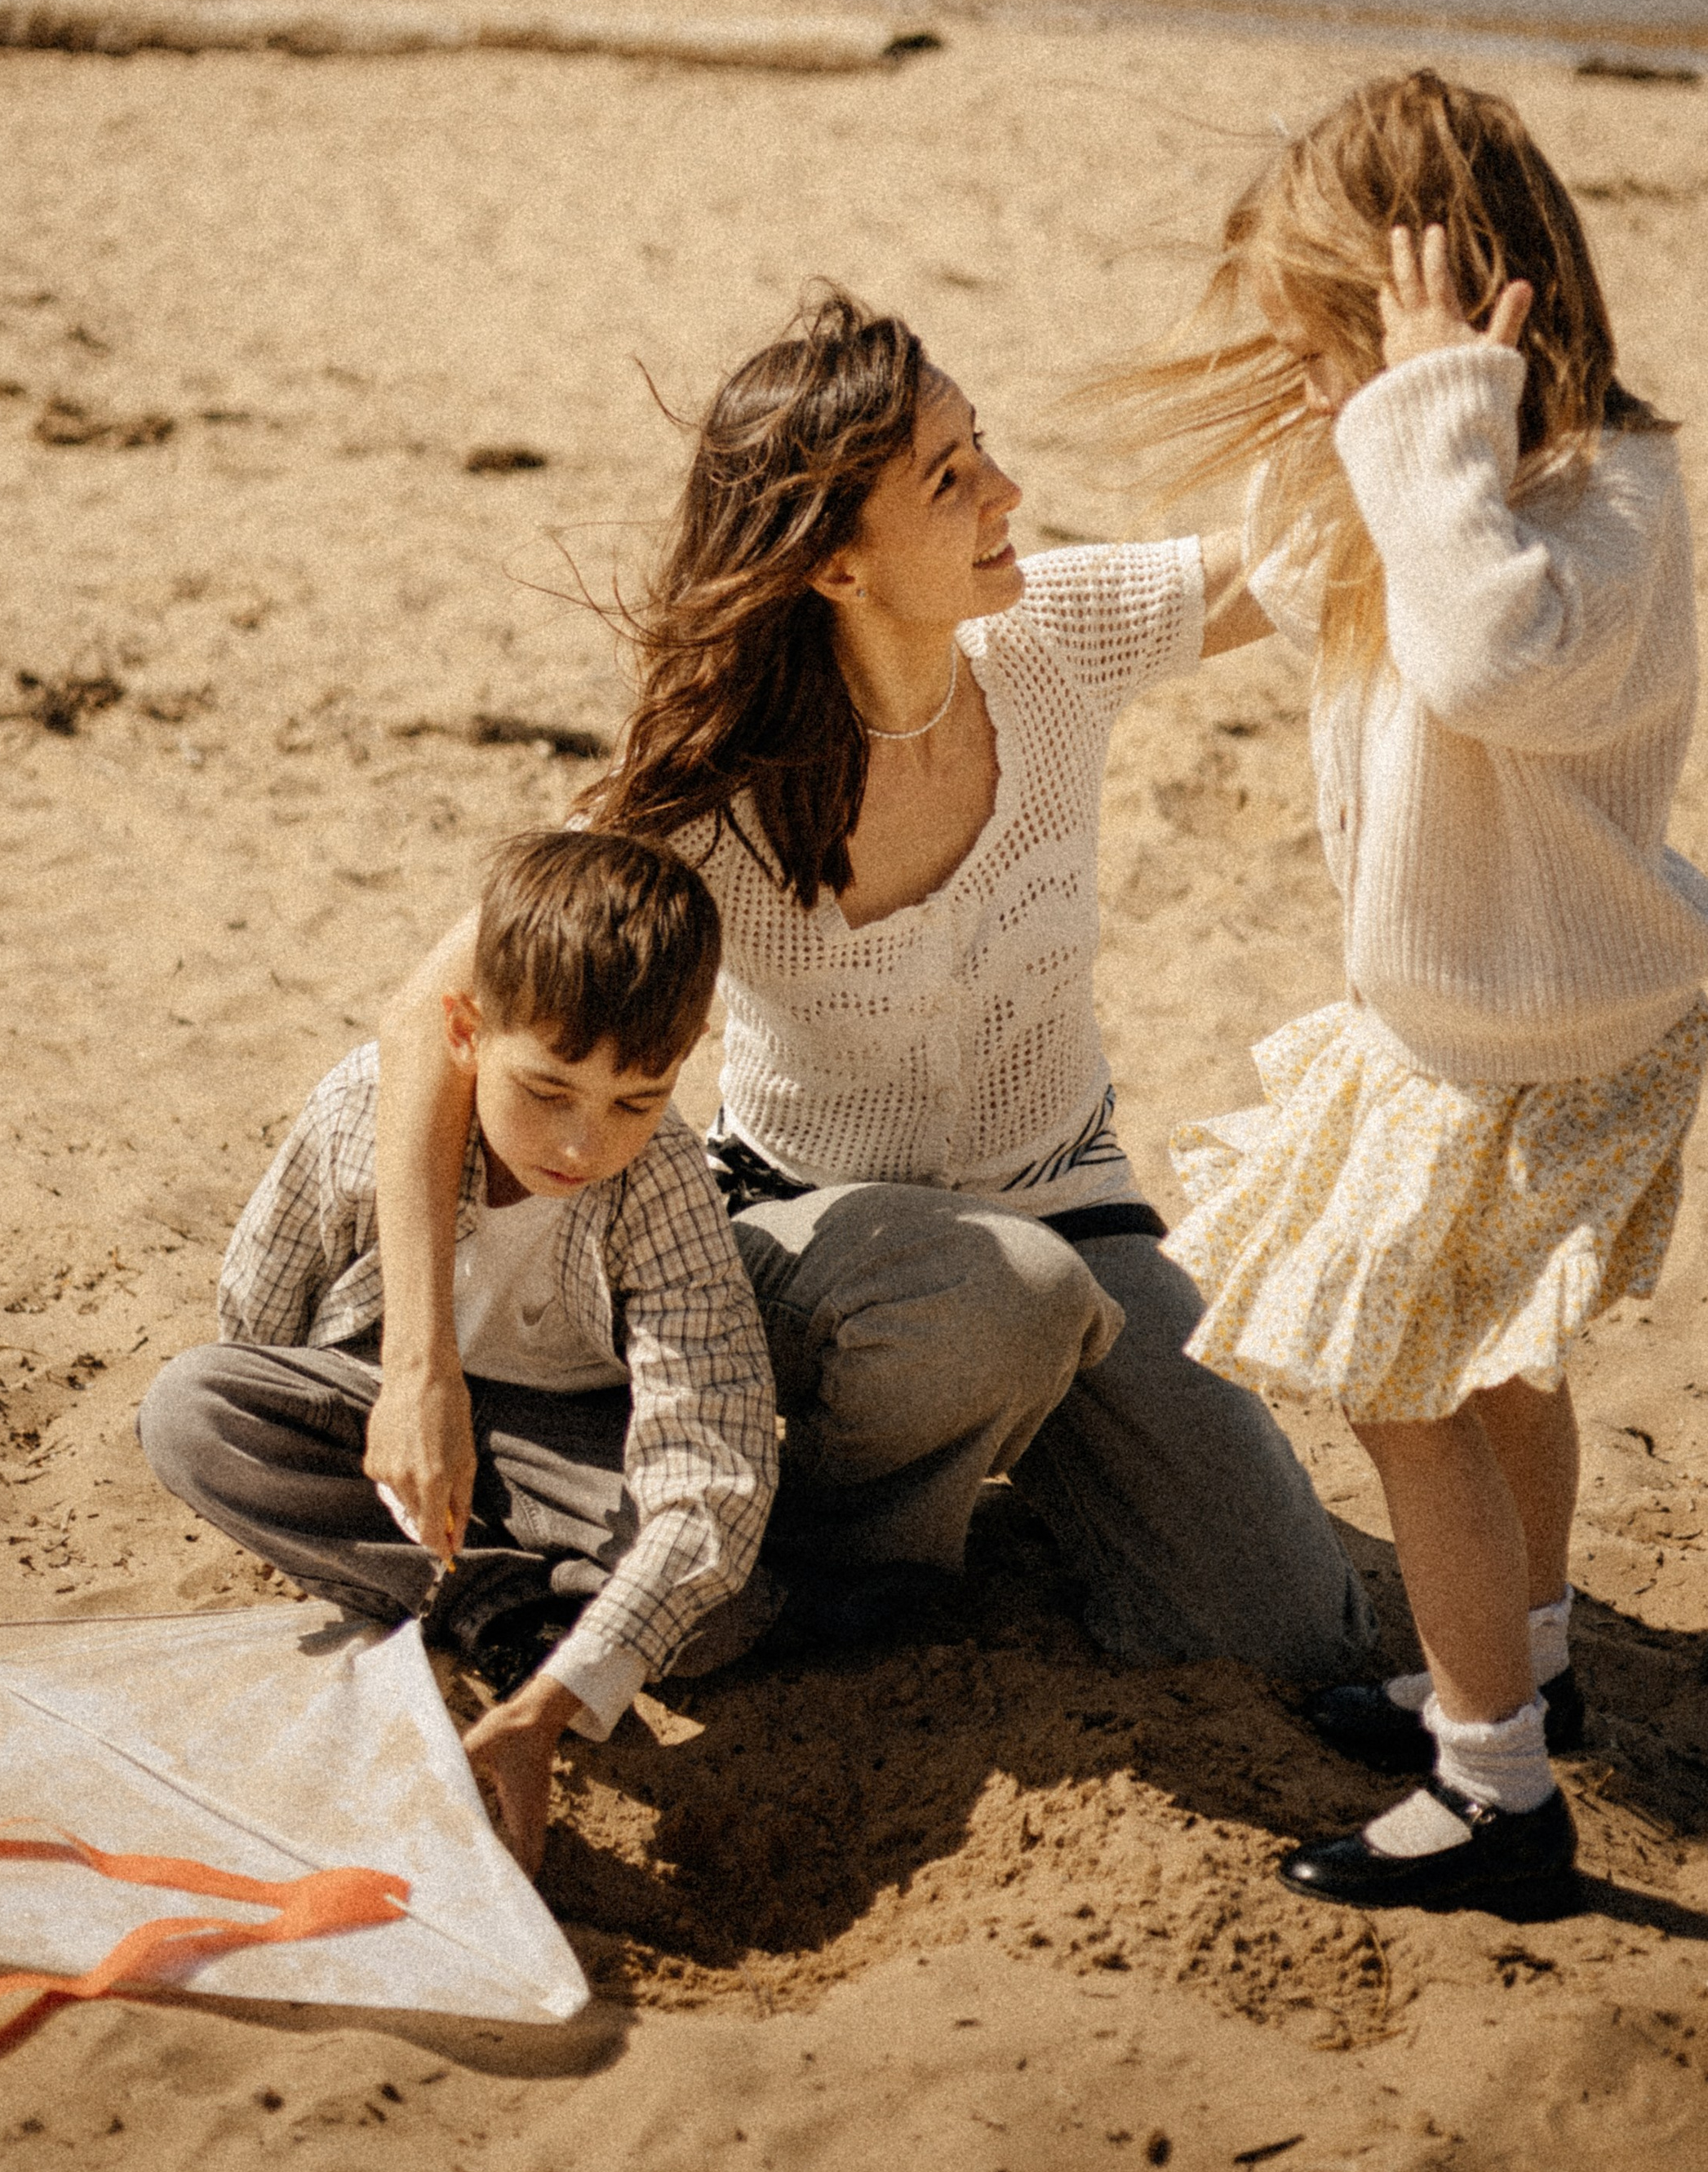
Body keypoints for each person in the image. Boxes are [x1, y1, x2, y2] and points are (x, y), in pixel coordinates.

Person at [366, 291, 1371, 1684]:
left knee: (1290, 1632)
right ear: (835, 565)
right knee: (996, 1302)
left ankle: (995, 1439)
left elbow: (1307, 555)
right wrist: (417, 1364)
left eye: (984, 450)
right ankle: (835, 1562)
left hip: (1066, 1203)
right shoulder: (715, 801)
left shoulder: (1054, 642)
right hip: (804, 1247)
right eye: (950, 479)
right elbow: (434, 1019)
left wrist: (1385, 385)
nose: (1006, 494)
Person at [1133, 68, 1708, 1913]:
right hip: (1477, 1021)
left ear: (1448, 313)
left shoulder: (1594, 505)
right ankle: (1524, 1654)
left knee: (1393, 1387)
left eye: (1333, 341)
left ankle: (1492, 1791)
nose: (1320, 388)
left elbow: (1486, 662)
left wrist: (1424, 413)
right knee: (1481, 1364)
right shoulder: (1415, 482)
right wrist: (969, 629)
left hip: (1518, 1039)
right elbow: (1211, 595)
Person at [138, 827, 779, 1877]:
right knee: (193, 1415)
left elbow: (713, 1460)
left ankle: (509, 1605)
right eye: (548, 1091)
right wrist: (354, 1428)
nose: (583, 1145)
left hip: (560, 1453)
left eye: (636, 1100)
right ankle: (487, 1595)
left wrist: (556, 1702)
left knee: (719, 1611)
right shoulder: (359, 1110)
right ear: (466, 1029)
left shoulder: (657, 1177)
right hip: (378, 1406)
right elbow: (256, 1316)